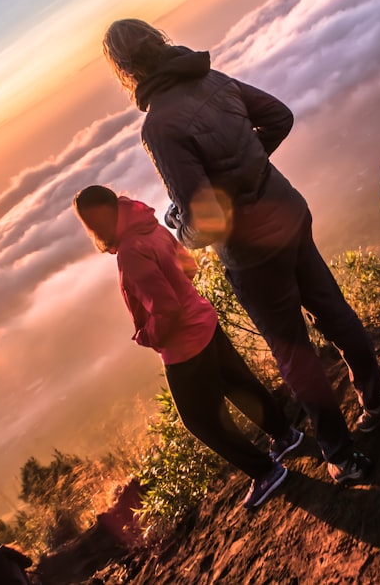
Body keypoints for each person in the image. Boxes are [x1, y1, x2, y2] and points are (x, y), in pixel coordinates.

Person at [101, 18, 380, 484]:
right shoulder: (213, 79)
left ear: (124, 69)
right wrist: (250, 168)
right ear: (158, 41)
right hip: (287, 209)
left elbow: (204, 221)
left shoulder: (159, 127)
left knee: (295, 354)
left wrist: (177, 226)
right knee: (335, 313)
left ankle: (343, 456)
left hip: (252, 253)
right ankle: (379, 404)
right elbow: (279, 117)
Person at [73, 185, 304, 509]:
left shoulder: (130, 251)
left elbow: (166, 309)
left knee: (199, 419)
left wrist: (148, 336)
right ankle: (286, 436)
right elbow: (189, 267)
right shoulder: (149, 224)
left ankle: (265, 471)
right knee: (239, 383)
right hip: (204, 320)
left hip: (184, 346)